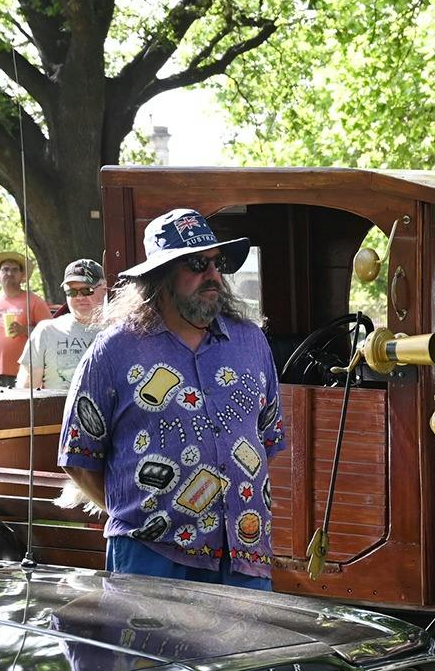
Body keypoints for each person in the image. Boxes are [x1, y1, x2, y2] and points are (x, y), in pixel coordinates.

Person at [59, 209, 283, 589]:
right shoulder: (115, 350)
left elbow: (268, 439)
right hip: (153, 559)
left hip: (244, 557)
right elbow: (78, 456)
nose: (212, 275)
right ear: (159, 277)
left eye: (218, 263)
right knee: (152, 652)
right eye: (197, 264)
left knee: (247, 652)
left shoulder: (251, 342)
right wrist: (139, 519)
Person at [18, 258, 105, 390]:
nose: (80, 297)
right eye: (72, 292)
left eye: (87, 290)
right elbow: (26, 389)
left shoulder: (119, 331)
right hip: (56, 410)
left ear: (104, 288)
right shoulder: (46, 331)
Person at [0, 251, 48, 387]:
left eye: (15, 270)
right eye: (5, 269)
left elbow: (49, 336)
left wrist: (25, 330)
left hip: (26, 374)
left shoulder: (34, 301)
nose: (10, 273)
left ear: (22, 276)